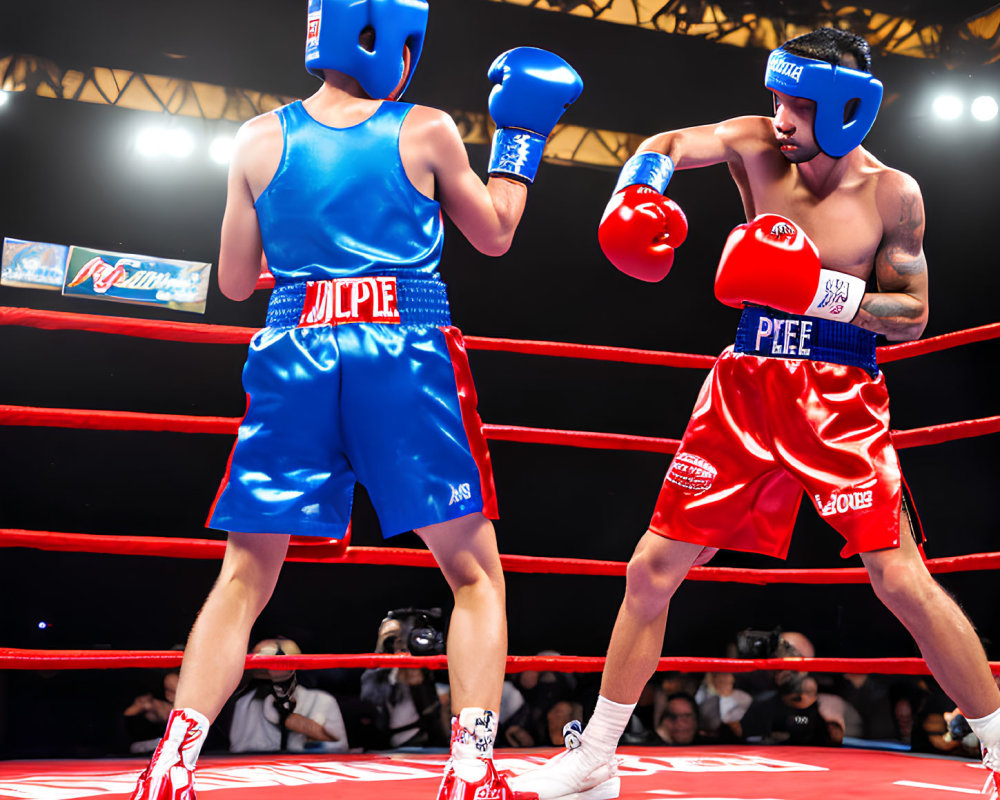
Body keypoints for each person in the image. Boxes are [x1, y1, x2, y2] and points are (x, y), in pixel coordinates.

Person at [510, 27, 1000, 800]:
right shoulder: (753, 143)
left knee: (899, 578)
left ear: (844, 109)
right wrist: (636, 191)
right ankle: (599, 752)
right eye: (775, 97)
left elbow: (913, 313)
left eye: (796, 105)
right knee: (650, 570)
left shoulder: (891, 193)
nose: (779, 118)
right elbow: (668, 142)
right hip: (744, 385)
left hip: (839, 393)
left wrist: (818, 291)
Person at [128, 2, 581, 798]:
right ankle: (471, 772)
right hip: (401, 351)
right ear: (393, 39)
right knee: (474, 575)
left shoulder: (256, 137)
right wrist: (522, 136)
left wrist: (317, 272)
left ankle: (170, 768)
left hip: (293, 351)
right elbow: (498, 233)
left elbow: (235, 282)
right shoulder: (428, 128)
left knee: (244, 577)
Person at [228, 637, 349, 754]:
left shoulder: (322, 701)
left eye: (279, 671)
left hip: (307, 771)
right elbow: (238, 750)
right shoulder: (245, 703)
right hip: (258, 770)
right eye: (263, 673)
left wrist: (307, 730)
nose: (272, 679)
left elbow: (341, 748)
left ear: (293, 672)